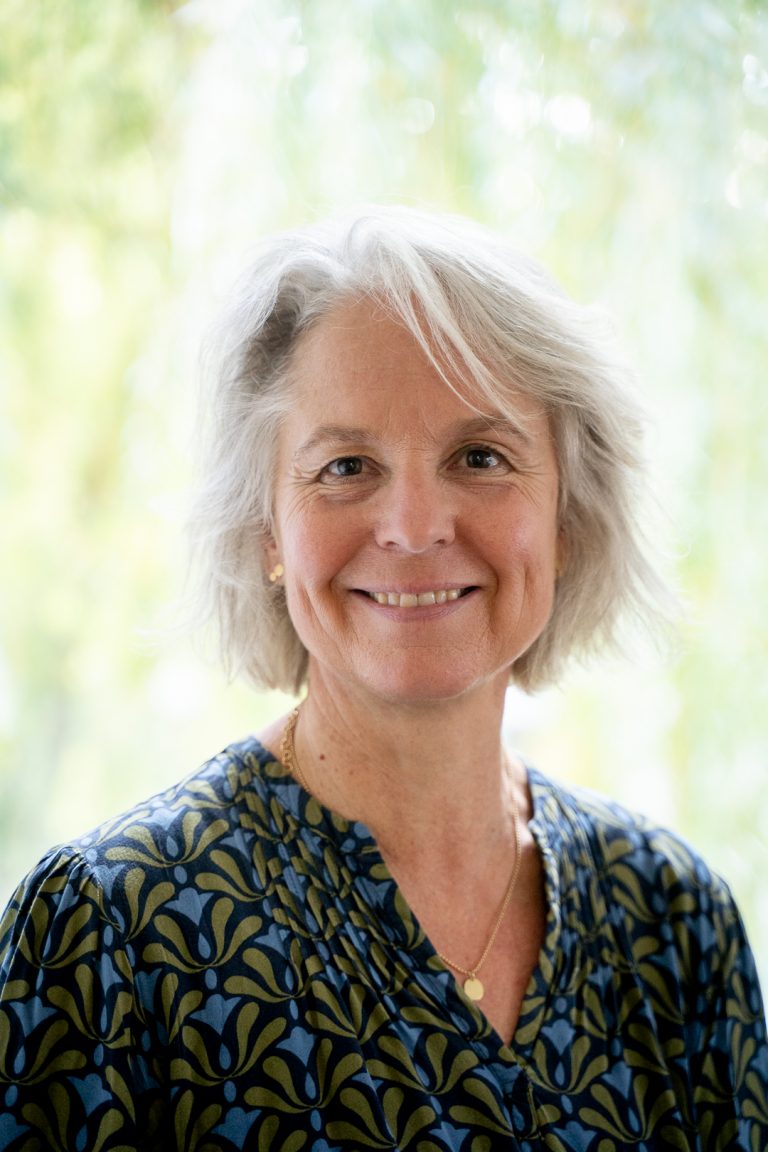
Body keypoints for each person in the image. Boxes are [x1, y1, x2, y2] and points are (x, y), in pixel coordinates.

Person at [0, 207, 765, 1152]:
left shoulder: (675, 922)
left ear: (568, 517)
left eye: (479, 458)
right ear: (268, 532)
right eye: (346, 466)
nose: (413, 526)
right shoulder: (112, 929)